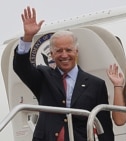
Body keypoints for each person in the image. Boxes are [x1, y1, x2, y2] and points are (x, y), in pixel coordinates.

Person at [13, 6, 114, 141]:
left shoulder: (96, 84)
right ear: (52, 54)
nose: (64, 55)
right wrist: (27, 38)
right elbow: (21, 67)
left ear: (76, 51)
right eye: (59, 51)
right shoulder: (44, 77)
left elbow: (104, 127)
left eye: (69, 50)